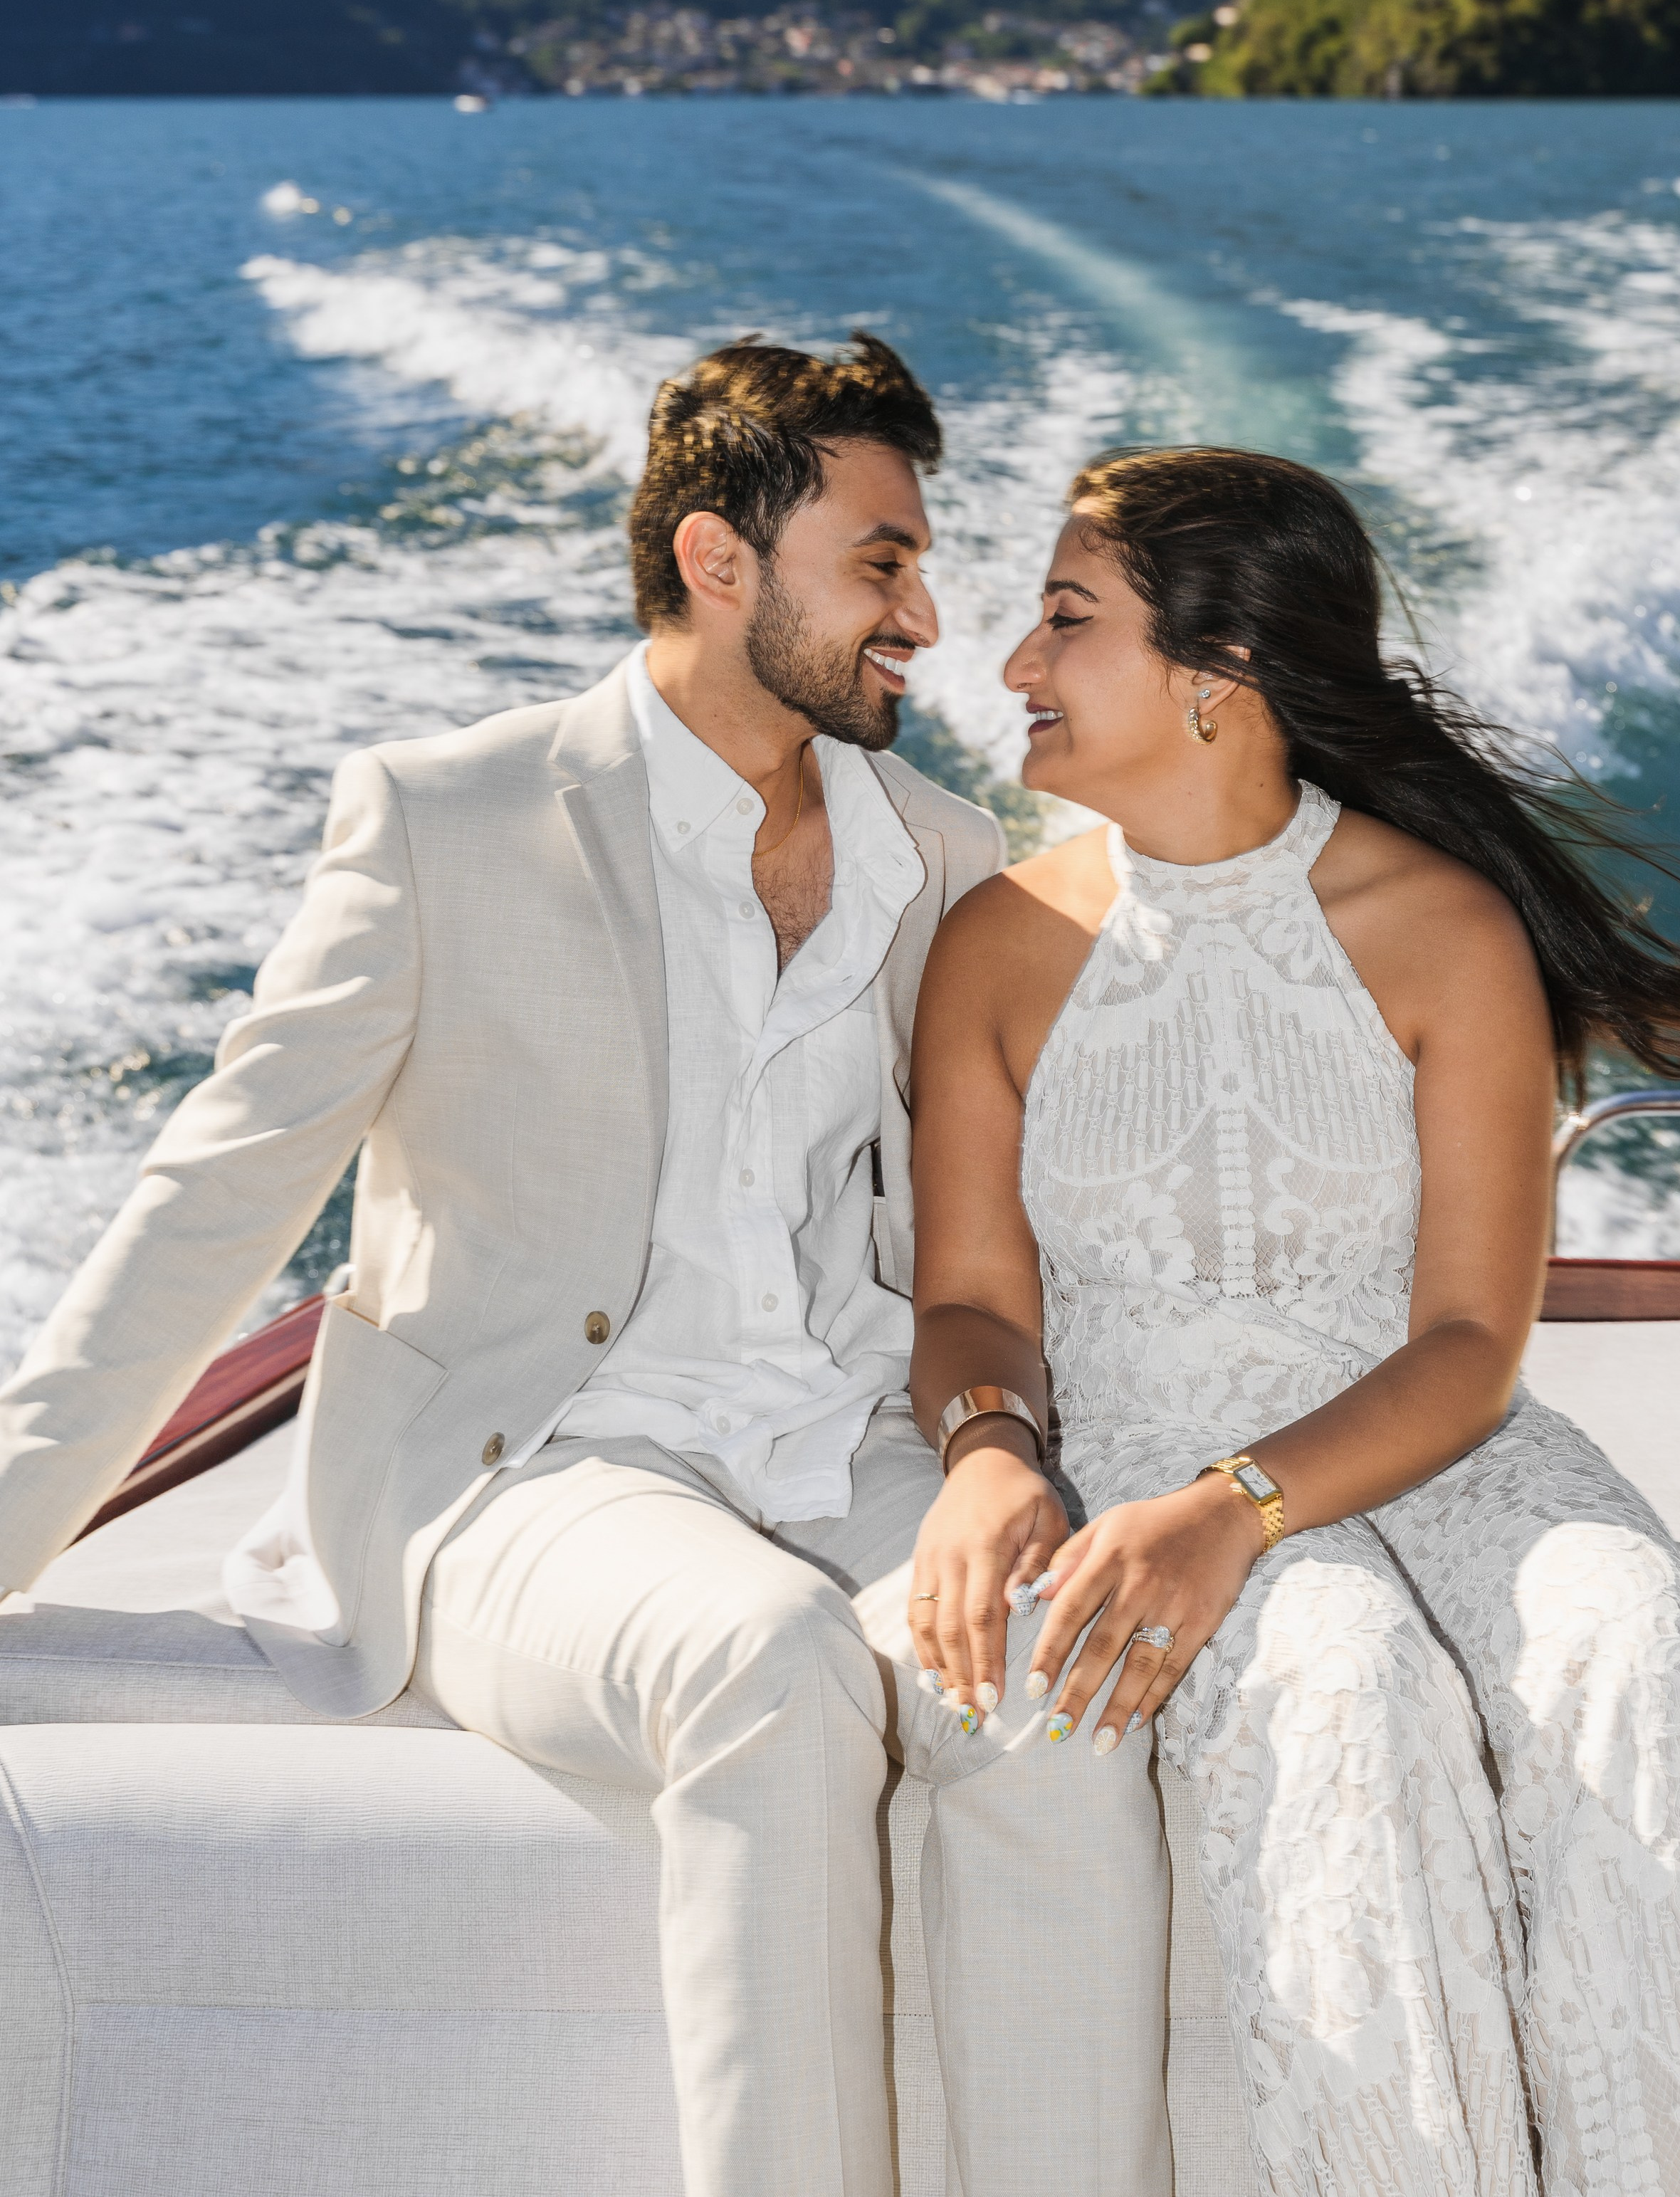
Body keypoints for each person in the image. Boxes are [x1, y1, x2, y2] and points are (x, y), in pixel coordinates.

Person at [0, 336, 1170, 2197]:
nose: (928, 616)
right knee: (765, 1658)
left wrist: (1000, 1450)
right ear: (721, 561)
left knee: (1056, 1672)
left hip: (849, 1446)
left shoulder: (944, 858)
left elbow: (995, 1231)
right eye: (879, 562)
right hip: (532, 1464)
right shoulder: (447, 816)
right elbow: (211, 1202)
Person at [908, 444, 1680, 2197]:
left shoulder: (1440, 927)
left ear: (1218, 678)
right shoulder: (995, 946)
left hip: (1433, 1448)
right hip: (1143, 1457)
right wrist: (988, 1450)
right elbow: (972, 1299)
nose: (1008, 666)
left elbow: (1470, 1342)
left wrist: (1234, 1510)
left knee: (1638, 1649)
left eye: (1064, 620)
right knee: (1344, 1685)